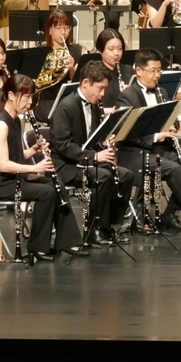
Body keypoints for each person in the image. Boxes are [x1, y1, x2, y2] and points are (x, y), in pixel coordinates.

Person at [0, 74, 85, 261]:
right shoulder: (1, 124)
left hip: (12, 178)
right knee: (46, 193)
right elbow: (4, 165)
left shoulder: (16, 121)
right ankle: (37, 248)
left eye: (31, 97)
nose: (30, 102)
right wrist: (36, 168)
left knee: (56, 185)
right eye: (26, 97)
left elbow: (17, 155)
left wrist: (34, 150)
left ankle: (68, 241)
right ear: (11, 95)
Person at [115, 48, 181, 235]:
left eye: (159, 70)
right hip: (134, 154)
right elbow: (126, 133)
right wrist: (156, 136)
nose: (157, 75)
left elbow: (174, 118)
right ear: (138, 71)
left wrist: (172, 126)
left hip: (159, 150)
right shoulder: (126, 97)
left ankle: (169, 214)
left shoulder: (162, 92)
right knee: (174, 168)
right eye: (153, 71)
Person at [49, 60, 133, 247]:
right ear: (86, 83)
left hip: (84, 161)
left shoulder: (95, 105)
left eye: (105, 89)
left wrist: (103, 143)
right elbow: (63, 145)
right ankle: (93, 230)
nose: (103, 94)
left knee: (126, 176)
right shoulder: (66, 107)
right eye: (100, 88)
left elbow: (91, 138)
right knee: (103, 177)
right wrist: (94, 156)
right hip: (66, 165)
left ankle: (109, 226)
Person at [32, 10, 82, 123]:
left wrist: (71, 68)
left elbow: (77, 80)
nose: (63, 32)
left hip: (68, 98)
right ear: (50, 30)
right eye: (58, 28)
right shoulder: (41, 52)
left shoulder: (75, 51)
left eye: (66, 28)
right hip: (46, 100)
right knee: (62, 114)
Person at [94, 28, 134, 111]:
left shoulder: (129, 70)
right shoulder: (94, 73)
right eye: (111, 49)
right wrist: (112, 110)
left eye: (120, 48)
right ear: (100, 50)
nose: (117, 53)